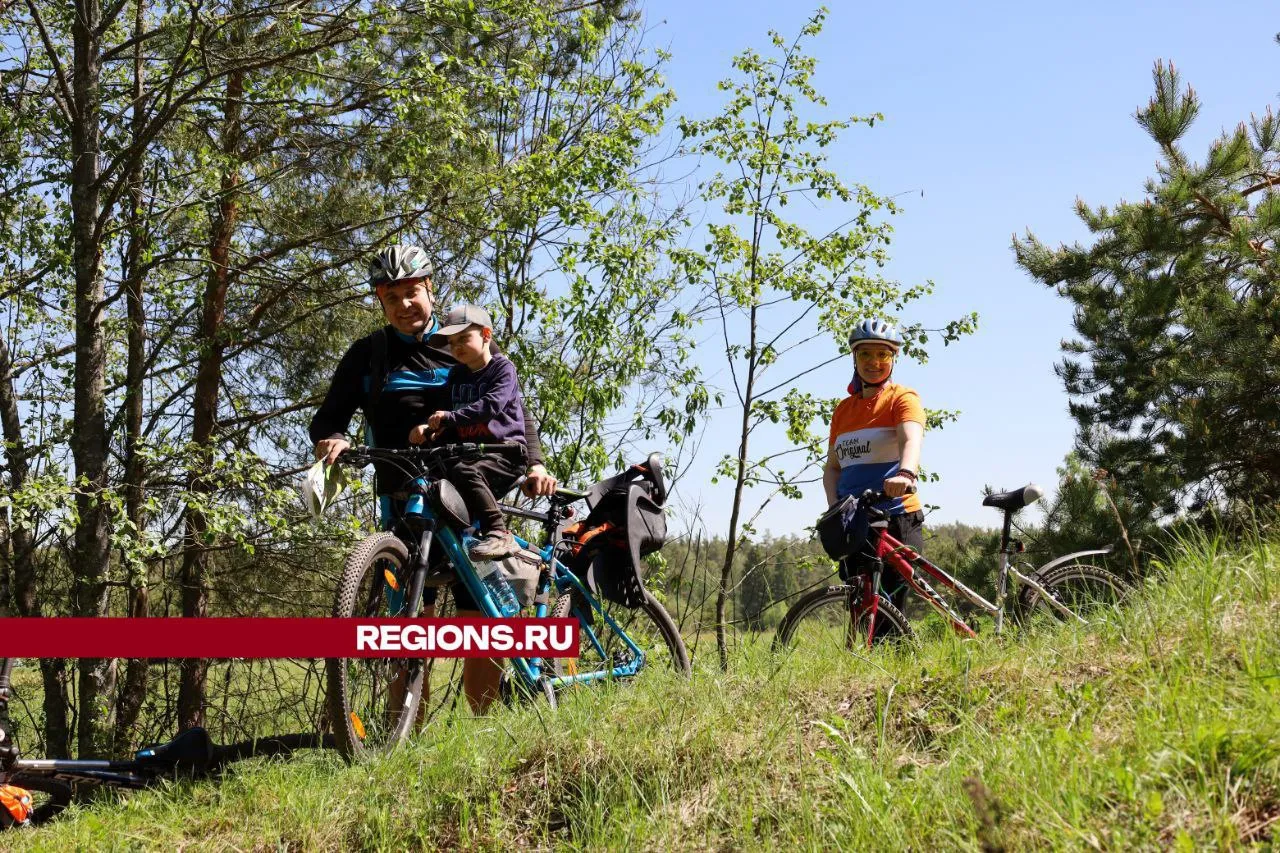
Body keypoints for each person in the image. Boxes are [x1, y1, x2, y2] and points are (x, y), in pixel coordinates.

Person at [309, 245, 558, 712]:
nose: (405, 305)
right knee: (409, 627)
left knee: (479, 618)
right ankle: (401, 743)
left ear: (429, 289)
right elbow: (328, 419)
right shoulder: (369, 355)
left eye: (412, 293)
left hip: (466, 501)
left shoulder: (460, 342)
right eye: (392, 297)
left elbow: (514, 407)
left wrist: (535, 464)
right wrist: (333, 440)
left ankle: (484, 729)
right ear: (381, 303)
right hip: (404, 505)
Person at [409, 304, 527, 561]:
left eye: (464, 338)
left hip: (504, 454)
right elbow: (447, 415)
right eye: (452, 342)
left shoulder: (502, 368)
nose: (457, 346)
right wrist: (429, 428)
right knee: (432, 482)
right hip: (471, 454)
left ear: (486, 335)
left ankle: (498, 532)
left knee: (464, 472)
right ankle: (445, 555)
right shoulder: (456, 375)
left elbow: (490, 406)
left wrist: (448, 418)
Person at [823, 318, 925, 612]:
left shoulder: (902, 398)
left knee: (888, 611)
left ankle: (898, 658)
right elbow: (832, 468)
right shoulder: (843, 410)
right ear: (854, 358)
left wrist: (905, 473)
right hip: (853, 522)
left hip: (894, 515)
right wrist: (834, 507)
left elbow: (910, 440)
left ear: (894, 358)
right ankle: (856, 661)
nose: (874, 361)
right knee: (858, 608)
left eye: (883, 354)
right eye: (865, 353)